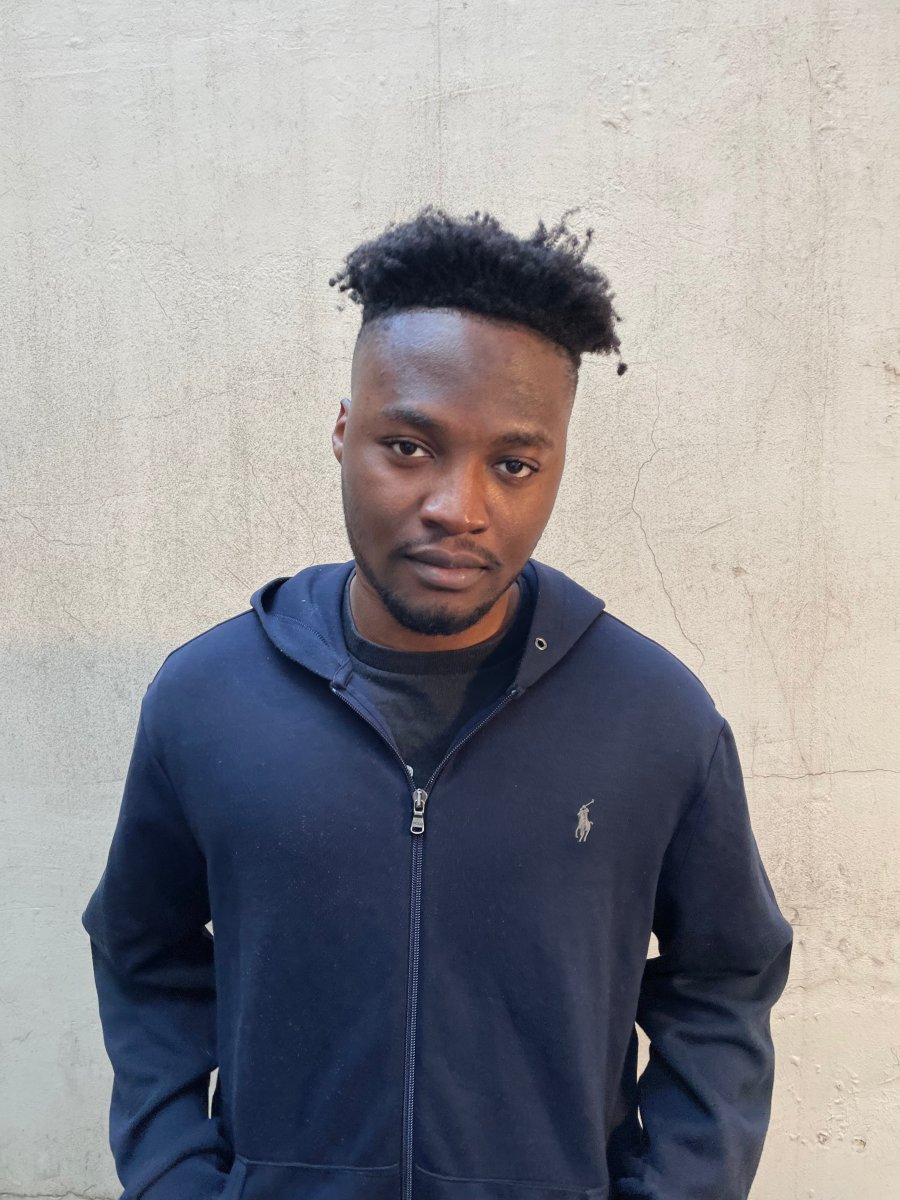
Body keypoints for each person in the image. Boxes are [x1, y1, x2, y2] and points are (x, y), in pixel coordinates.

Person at [82, 206, 792, 1200]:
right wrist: (173, 1177)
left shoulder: (654, 717)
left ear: (556, 465)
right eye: (410, 447)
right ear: (344, 433)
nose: (460, 508)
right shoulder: (207, 700)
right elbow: (143, 951)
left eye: (513, 464)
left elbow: (724, 977)